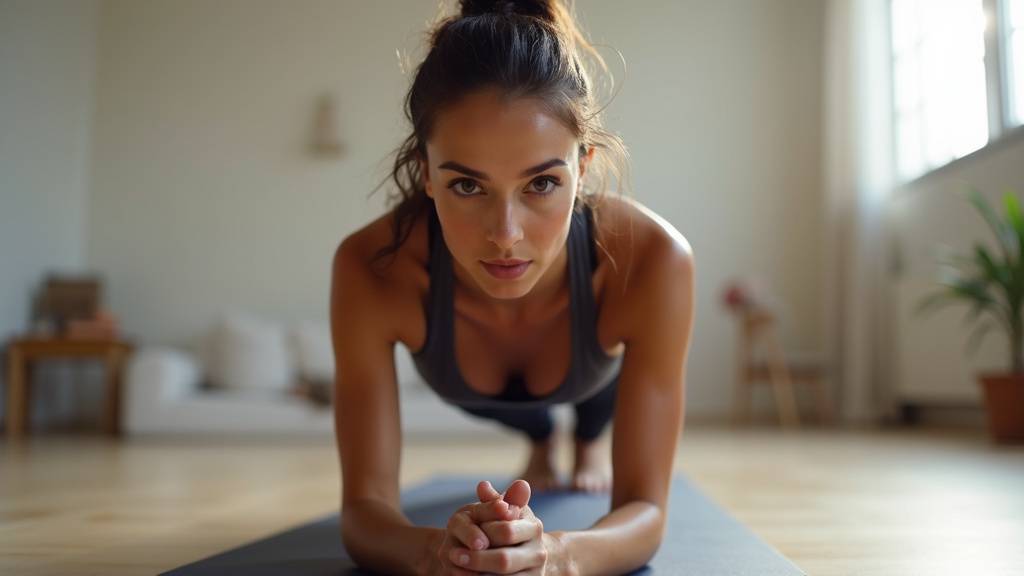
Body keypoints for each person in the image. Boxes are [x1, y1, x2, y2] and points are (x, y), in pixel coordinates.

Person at [330, 1, 694, 574]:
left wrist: (556, 555)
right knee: (531, 417)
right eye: (468, 186)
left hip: (597, 379)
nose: (505, 235)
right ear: (427, 172)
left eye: (542, 182)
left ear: (585, 166)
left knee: (598, 401)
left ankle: (584, 440)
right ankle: (544, 439)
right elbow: (362, 512)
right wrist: (438, 553)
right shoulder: (371, 268)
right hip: (494, 400)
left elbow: (646, 510)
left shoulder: (651, 260)